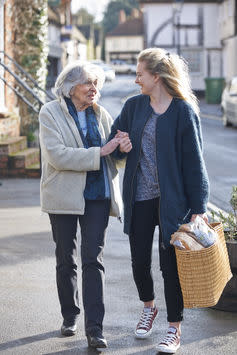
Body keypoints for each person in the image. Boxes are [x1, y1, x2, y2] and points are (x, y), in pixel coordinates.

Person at [109, 48, 209, 353]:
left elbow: (195, 162)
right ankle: (148, 307)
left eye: (141, 74)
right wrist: (120, 146)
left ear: (157, 76)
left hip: (172, 202)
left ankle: (173, 328)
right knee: (139, 261)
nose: (136, 79)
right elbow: (113, 146)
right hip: (139, 197)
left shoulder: (182, 111)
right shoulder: (133, 107)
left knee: (170, 267)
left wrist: (200, 207)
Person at [39, 61, 124, 349]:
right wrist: (101, 151)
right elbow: (57, 156)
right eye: (88, 82)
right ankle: (70, 314)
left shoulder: (102, 114)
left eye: (96, 83)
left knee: (93, 260)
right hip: (63, 196)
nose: (94, 88)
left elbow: (114, 158)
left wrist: (122, 148)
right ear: (70, 87)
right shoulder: (49, 113)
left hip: (98, 196)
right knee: (66, 258)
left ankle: (95, 329)